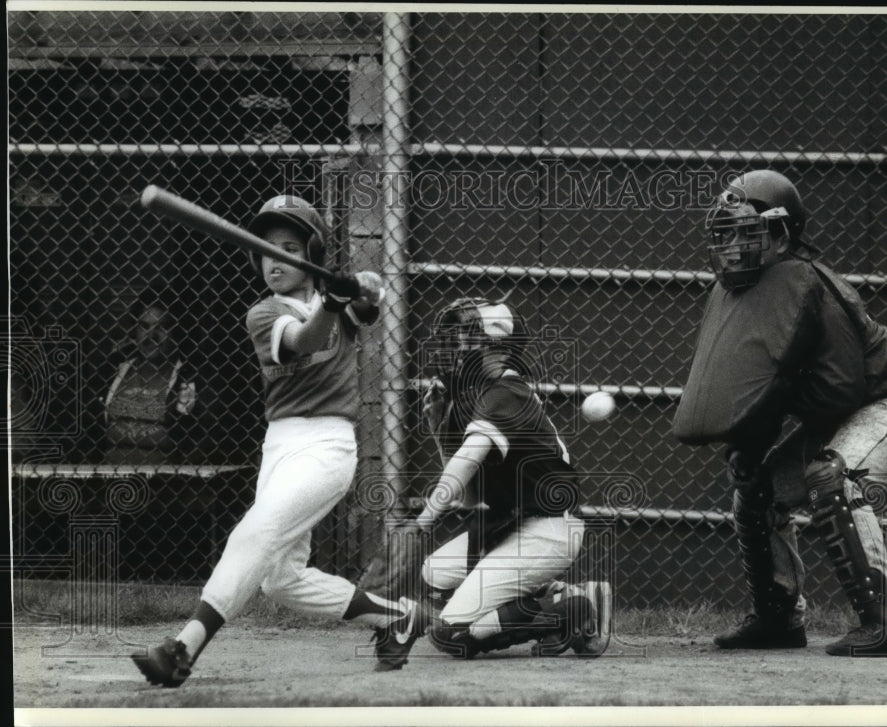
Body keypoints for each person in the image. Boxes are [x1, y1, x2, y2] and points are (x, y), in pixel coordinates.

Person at [132, 194, 423, 686]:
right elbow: (306, 339)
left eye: (289, 247)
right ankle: (396, 616)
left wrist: (370, 288)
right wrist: (336, 299)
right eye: (267, 249)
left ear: (311, 252)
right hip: (281, 446)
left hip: (327, 447)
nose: (276, 259)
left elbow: (368, 307)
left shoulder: (334, 297)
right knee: (281, 581)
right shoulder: (262, 315)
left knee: (252, 534)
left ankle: (182, 648)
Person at [672, 170, 887, 657]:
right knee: (755, 491)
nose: (731, 246)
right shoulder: (747, 292)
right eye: (724, 233)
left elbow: (842, 390)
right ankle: (779, 619)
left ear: (781, 235)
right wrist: (751, 445)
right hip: (846, 412)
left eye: (745, 233)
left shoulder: (811, 284)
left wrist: (772, 414)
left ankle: (885, 624)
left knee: (834, 479)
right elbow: (759, 381)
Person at [411, 296, 612, 660]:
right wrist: (439, 430)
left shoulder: (508, 391)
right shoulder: (467, 399)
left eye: (466, 338)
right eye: (453, 338)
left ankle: (570, 608)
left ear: (496, 350)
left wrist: (422, 521)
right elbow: (473, 498)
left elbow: (468, 459)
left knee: (451, 633)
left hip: (547, 531)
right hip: (508, 526)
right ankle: (553, 594)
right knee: (430, 578)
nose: (453, 348)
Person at [101, 294, 201, 465]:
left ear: (177, 331)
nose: (151, 335)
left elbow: (193, 444)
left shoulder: (188, 377)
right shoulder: (115, 369)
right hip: (109, 474)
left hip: (164, 480)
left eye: (162, 327)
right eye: (144, 326)